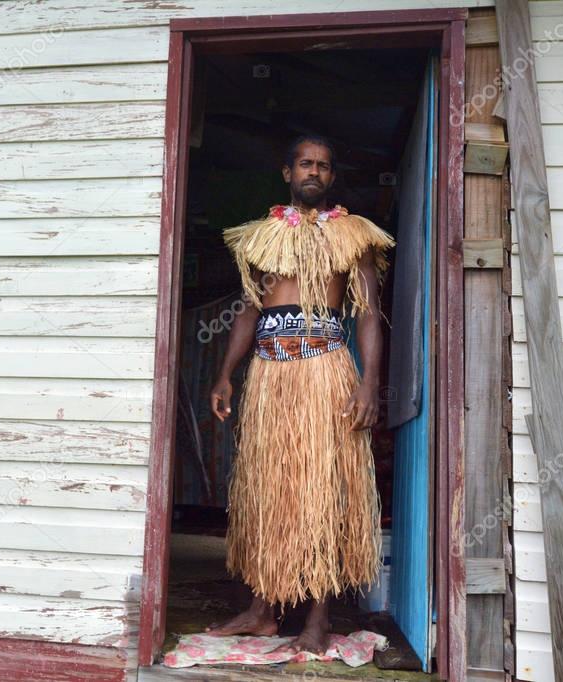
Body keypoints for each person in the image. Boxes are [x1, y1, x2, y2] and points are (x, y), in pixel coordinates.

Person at [204, 135, 395, 654]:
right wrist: (226, 374)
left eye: (324, 167)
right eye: (306, 164)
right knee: (268, 493)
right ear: (287, 172)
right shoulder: (264, 236)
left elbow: (369, 316)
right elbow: (249, 311)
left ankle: (318, 619)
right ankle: (262, 612)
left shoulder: (353, 235)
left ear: (332, 178)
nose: (315, 172)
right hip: (269, 376)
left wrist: (370, 383)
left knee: (322, 493)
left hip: (324, 374)